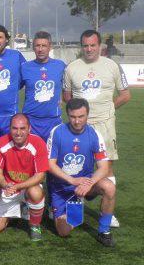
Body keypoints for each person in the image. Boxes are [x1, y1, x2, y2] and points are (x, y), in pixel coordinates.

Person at [62, 29, 131, 227]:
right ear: (81, 46)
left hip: (105, 125)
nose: (89, 49)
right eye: (85, 45)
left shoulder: (112, 66)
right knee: (75, 164)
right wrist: (79, 116)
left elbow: (125, 95)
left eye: (93, 45)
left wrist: (109, 109)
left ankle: (107, 211)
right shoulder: (71, 68)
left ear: (100, 46)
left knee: (107, 167)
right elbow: (67, 97)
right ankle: (74, 201)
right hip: (80, 126)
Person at [47, 98, 117, 247]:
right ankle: (72, 206)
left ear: (87, 115)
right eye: (73, 117)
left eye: (81, 117)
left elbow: (104, 167)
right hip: (62, 187)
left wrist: (89, 183)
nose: (77, 121)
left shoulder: (94, 134)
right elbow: (50, 164)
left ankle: (104, 231)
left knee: (109, 187)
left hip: (85, 184)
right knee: (64, 231)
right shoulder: (57, 132)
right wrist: (72, 181)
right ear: (67, 115)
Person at [0, 114, 48, 241]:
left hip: (28, 187)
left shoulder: (38, 143)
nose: (18, 132)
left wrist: (17, 186)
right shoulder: (2, 142)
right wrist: (4, 184)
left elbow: (40, 176)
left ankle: (35, 225)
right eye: (15, 128)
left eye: (22, 128)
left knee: (36, 192)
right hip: (8, 188)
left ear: (29, 129)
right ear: (10, 128)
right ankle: (18, 210)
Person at [20, 31, 66, 141]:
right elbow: (12, 89)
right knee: (31, 156)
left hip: (53, 120)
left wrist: (62, 99)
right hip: (31, 121)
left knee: (53, 157)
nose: (40, 49)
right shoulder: (25, 67)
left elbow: (70, 86)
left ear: (50, 47)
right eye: (37, 45)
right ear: (33, 47)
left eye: (44, 45)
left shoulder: (60, 65)